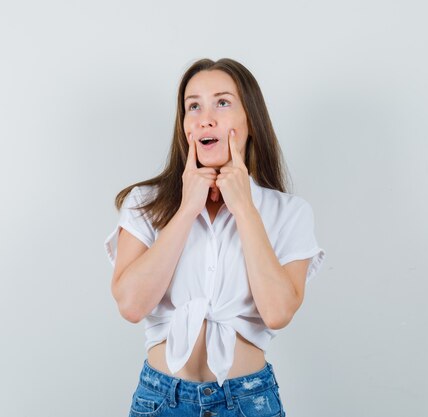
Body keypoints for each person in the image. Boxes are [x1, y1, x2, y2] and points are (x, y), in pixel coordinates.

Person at [104, 58, 326, 417]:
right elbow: (131, 305)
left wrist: (245, 209)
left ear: (250, 120)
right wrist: (187, 208)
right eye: (193, 106)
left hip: (249, 401)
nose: (205, 117)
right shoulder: (145, 203)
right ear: (185, 126)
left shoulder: (289, 212)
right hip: (162, 399)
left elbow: (278, 312)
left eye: (222, 102)